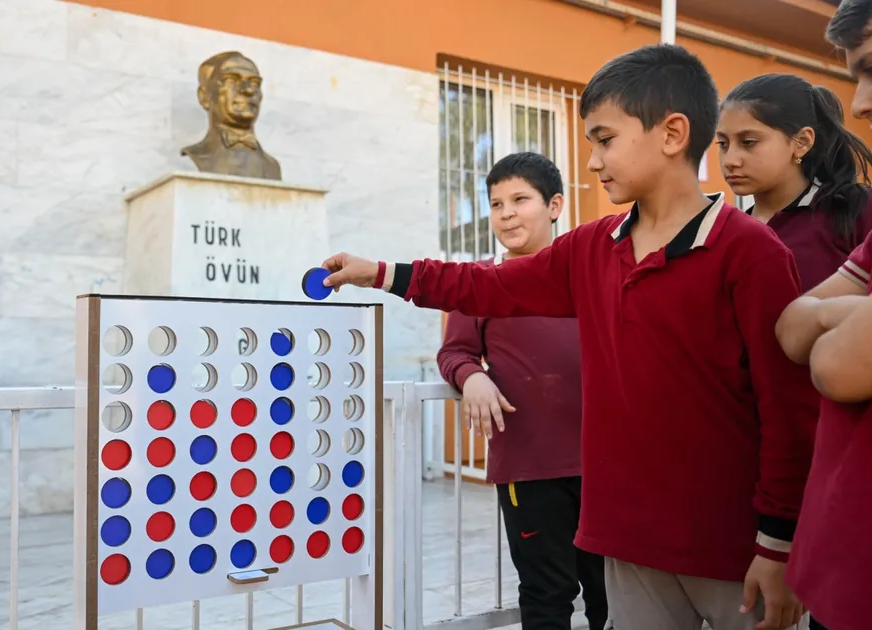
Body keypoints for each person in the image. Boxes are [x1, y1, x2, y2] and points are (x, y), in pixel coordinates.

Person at [320, 44, 819, 630]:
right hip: (627, 544)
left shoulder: (751, 252)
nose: (593, 161)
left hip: (732, 548)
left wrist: (778, 542)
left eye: (604, 140)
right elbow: (486, 286)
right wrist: (383, 274)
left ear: (672, 133)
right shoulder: (591, 248)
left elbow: (789, 411)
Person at [774, 1, 872, 628]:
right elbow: (790, 328)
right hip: (851, 561)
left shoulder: (866, 212)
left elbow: (840, 368)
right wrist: (862, 314)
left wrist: (840, 325)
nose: (859, 103)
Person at [436, 152, 607, 630]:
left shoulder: (588, 274)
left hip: (604, 464)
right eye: (496, 204)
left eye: (520, 200)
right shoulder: (479, 282)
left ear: (554, 206)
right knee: (546, 592)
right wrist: (471, 376)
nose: (506, 213)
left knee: (611, 592)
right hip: (528, 468)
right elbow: (454, 352)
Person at [717, 74, 872, 290]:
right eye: (723, 144)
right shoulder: (724, 233)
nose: (729, 160)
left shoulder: (858, 210)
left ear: (801, 142)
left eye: (748, 142)